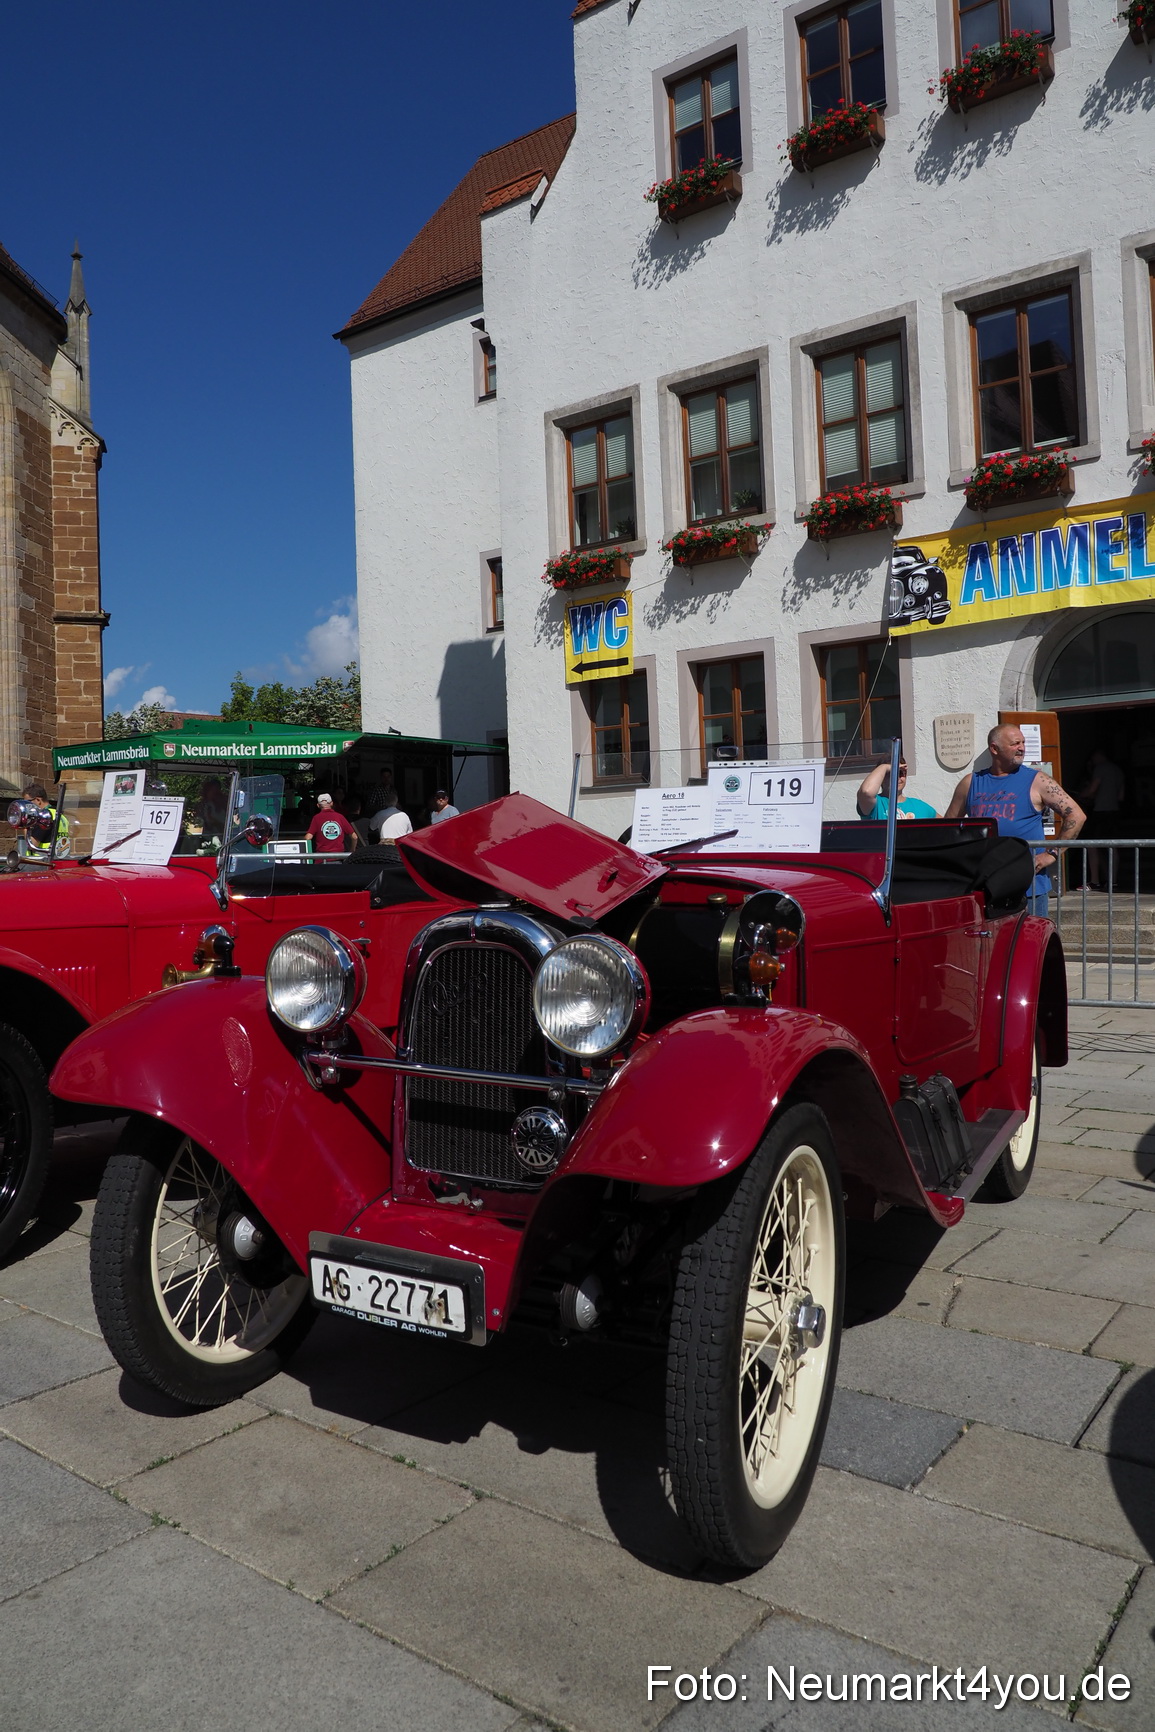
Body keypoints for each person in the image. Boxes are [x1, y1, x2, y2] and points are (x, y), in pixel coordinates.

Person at [945, 724, 1085, 917]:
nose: (1022, 747)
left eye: (1023, 742)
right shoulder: (971, 783)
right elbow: (949, 827)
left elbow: (1076, 815)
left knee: (1030, 943)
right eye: (1015, 743)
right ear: (994, 749)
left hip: (1027, 889)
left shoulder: (1038, 781)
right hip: (983, 887)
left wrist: (1051, 854)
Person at [1077, 749, 1125, 890]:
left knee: (1092, 845)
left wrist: (1079, 795)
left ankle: (1094, 881)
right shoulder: (1118, 771)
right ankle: (1113, 881)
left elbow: (1092, 790)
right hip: (1114, 811)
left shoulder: (1100, 768)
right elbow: (1121, 796)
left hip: (1100, 811)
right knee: (1113, 847)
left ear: (1098, 756)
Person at [857, 759, 936, 821]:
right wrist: (884, 767)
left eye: (901, 773)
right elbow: (866, 792)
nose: (897, 778)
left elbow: (945, 828)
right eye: (891, 773)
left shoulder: (920, 806)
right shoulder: (876, 804)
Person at [19, 784, 69, 858]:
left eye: (28, 802)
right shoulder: (59, 815)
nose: (26, 806)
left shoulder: (42, 817)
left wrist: (25, 822)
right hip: (58, 859)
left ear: (38, 800)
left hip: (41, 862)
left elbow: (32, 843)